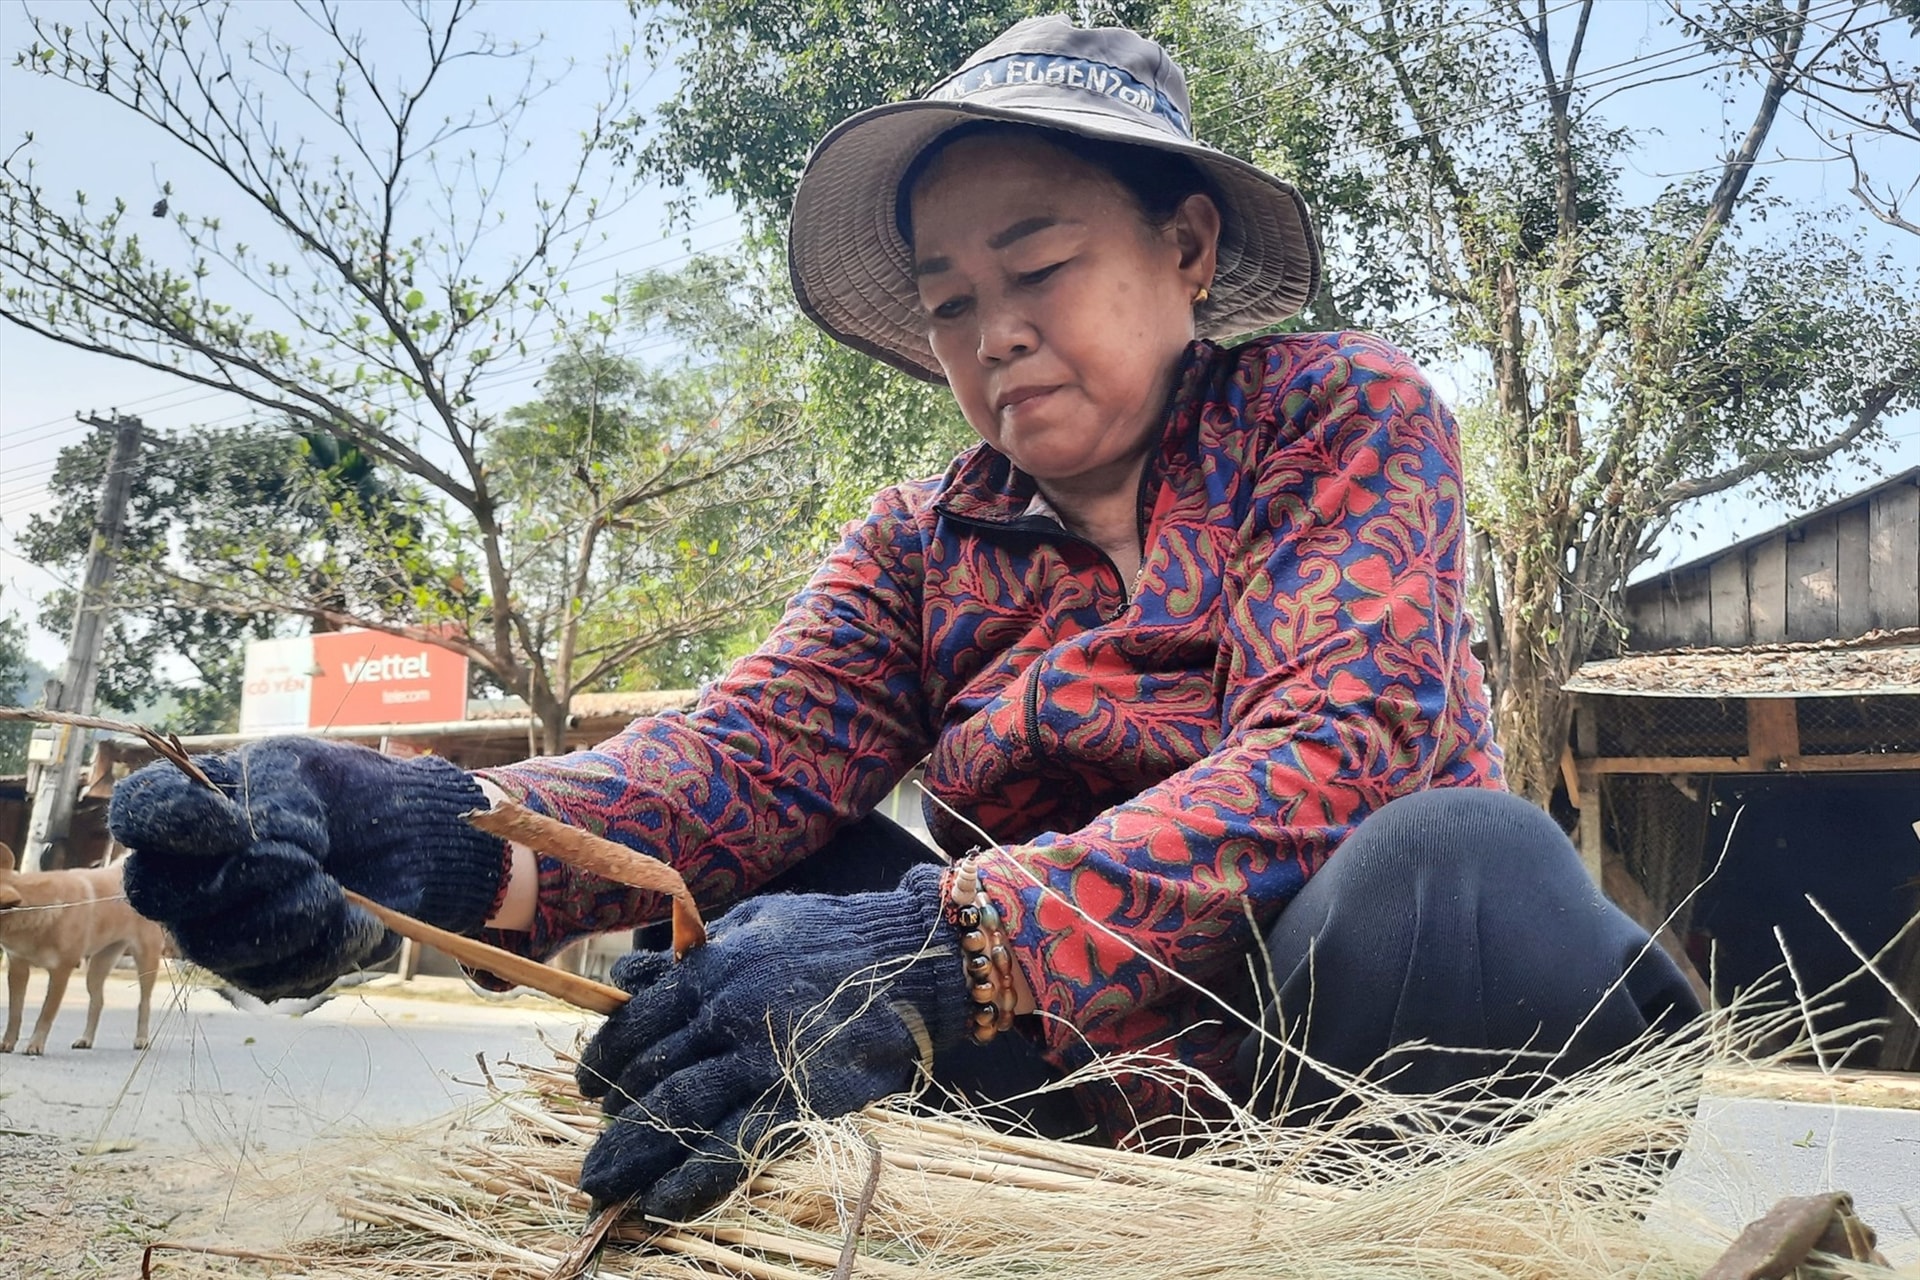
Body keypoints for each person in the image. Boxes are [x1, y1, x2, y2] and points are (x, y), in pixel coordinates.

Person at [108, 15, 1700, 1223]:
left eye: (1041, 265)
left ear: (1188, 248)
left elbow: (1334, 761)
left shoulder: (1337, 416)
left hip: (1370, 1046)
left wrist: (946, 947)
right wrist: (429, 839)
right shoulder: (925, 542)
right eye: (949, 301)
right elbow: (726, 766)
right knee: (776, 878)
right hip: (1071, 1107)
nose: (994, 334)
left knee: (1462, 863)